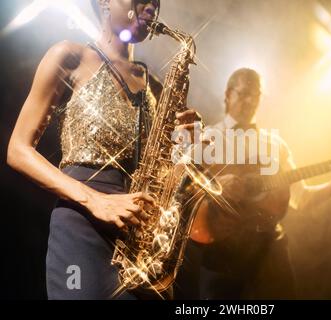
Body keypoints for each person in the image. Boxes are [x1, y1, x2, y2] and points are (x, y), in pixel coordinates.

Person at [7, 0, 201, 300]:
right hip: (82, 228)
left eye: (155, 1)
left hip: (141, 241)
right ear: (105, 2)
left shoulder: (159, 87)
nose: (150, 6)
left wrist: (186, 147)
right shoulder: (69, 56)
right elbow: (17, 150)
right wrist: (96, 200)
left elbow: (167, 174)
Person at [183, 68, 331, 299]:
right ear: (227, 94)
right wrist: (215, 185)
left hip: (270, 251)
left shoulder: (276, 145)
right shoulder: (207, 138)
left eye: (255, 95)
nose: (250, 101)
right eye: (243, 94)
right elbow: (181, 191)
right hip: (222, 249)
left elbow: (301, 199)